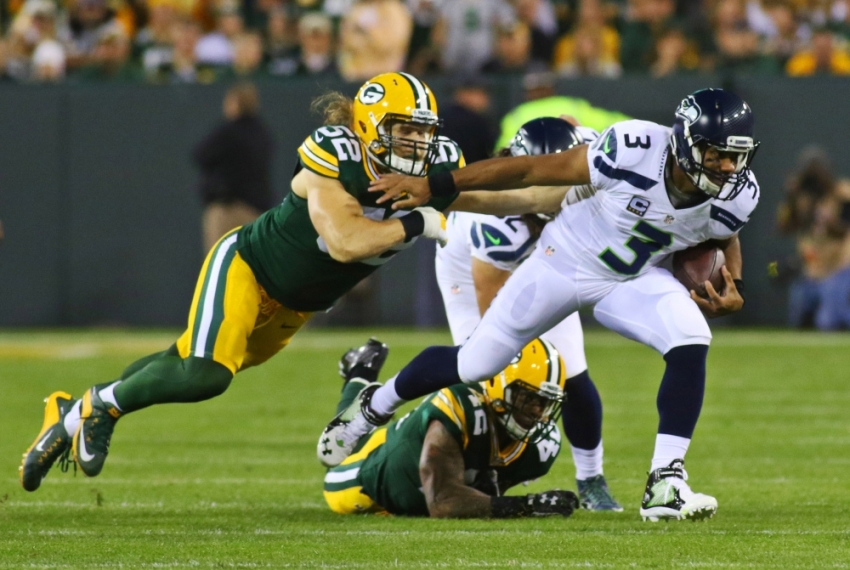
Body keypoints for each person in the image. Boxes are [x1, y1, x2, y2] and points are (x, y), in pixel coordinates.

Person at [19, 71, 570, 492]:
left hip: (295, 306)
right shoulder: (335, 157)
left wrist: (577, 189)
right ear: (368, 128)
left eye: (422, 132)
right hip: (250, 269)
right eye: (404, 131)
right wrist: (416, 220)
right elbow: (345, 243)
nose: (415, 145)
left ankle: (84, 410)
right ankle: (90, 406)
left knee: (185, 363)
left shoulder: (428, 168)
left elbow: (510, 194)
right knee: (205, 374)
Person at [323, 88, 760, 523]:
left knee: (690, 335)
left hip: (628, 279)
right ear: (684, 142)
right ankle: (372, 406)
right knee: (478, 362)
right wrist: (433, 185)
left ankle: (665, 482)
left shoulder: (738, 192)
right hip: (561, 264)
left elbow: (723, 234)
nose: (726, 167)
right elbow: (529, 172)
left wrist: (732, 282)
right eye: (715, 153)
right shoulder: (634, 148)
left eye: (735, 157)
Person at [435, 117, 621, 511]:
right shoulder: (499, 222)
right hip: (472, 272)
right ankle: (484, 471)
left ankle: (592, 478)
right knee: (482, 370)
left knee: (572, 373)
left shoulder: (591, 146)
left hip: (548, 255)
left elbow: (571, 125)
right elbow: (492, 303)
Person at [323, 337, 579, 519]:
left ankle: (361, 372)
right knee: (344, 443)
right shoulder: (460, 406)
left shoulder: (541, 448)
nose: (537, 411)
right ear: (499, 386)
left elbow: (486, 495)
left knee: (362, 432)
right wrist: (527, 505)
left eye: (545, 402)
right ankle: (360, 372)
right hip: (361, 482)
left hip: (402, 445)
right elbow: (443, 503)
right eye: (529, 398)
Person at [193, 82, 274, 253]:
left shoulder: (227, 131)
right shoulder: (262, 132)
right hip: (256, 212)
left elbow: (200, 154)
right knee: (253, 267)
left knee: (219, 264)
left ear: (236, 103)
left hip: (226, 209)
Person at [776, 148, 850, 330]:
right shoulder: (802, 199)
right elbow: (784, 227)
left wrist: (830, 222)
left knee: (827, 321)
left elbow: (843, 227)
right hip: (813, 270)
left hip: (840, 266)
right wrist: (791, 197)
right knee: (797, 317)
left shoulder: (841, 193)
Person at [493, 71, 629, 150]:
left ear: (527, 93)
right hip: (572, 172)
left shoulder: (516, 115)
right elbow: (618, 123)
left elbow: (502, 153)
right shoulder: (572, 105)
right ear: (552, 89)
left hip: (533, 177)